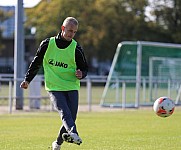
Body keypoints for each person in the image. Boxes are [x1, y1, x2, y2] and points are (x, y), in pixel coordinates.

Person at [20, 17, 88, 150]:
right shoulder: (47, 44)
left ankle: (57, 144)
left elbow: (84, 67)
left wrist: (82, 74)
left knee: (71, 117)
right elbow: (36, 63)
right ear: (63, 28)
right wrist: (27, 80)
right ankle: (74, 133)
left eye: (74, 32)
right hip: (54, 86)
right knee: (64, 112)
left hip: (71, 86)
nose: (71, 34)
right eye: (69, 31)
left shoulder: (76, 48)